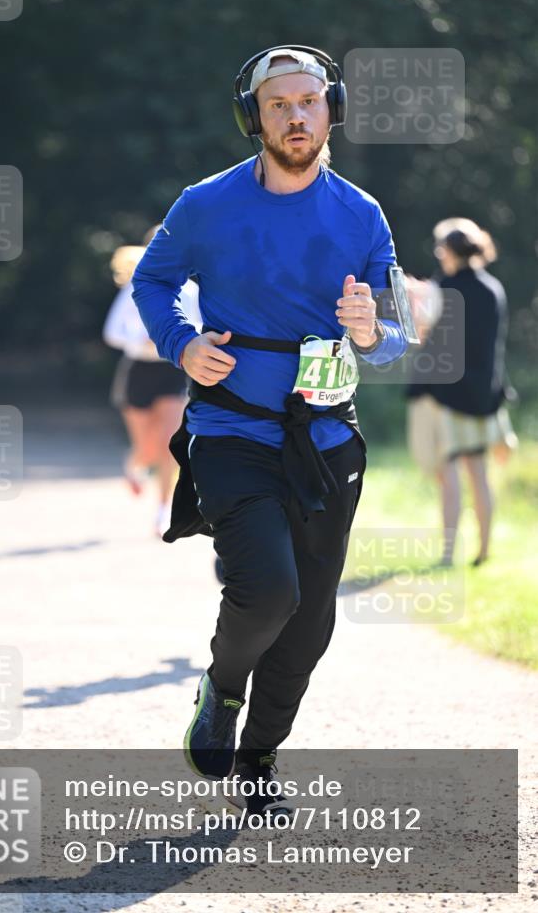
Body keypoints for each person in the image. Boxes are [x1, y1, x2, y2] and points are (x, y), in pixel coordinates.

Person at [132, 46, 408, 819]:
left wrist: (371, 328)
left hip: (324, 439)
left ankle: (258, 760)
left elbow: (393, 327)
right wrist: (181, 342)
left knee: (311, 617)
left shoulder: (360, 213)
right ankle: (221, 690)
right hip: (231, 430)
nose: (296, 115)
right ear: (253, 116)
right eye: (279, 103)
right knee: (269, 592)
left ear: (332, 110)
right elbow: (153, 279)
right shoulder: (205, 204)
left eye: (310, 101)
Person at [406, 218, 517, 567]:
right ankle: (483, 552)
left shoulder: (442, 288)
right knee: (479, 475)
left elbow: (421, 335)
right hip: (484, 395)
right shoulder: (493, 288)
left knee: (448, 475)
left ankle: (448, 554)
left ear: (450, 252)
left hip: (446, 396)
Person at [103, 226, 202, 537]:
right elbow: (112, 333)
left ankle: (162, 510)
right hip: (138, 371)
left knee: (168, 442)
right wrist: (141, 339)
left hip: (173, 370)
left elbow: (200, 327)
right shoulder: (135, 287)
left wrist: (175, 340)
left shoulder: (191, 291)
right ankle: (134, 464)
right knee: (146, 447)